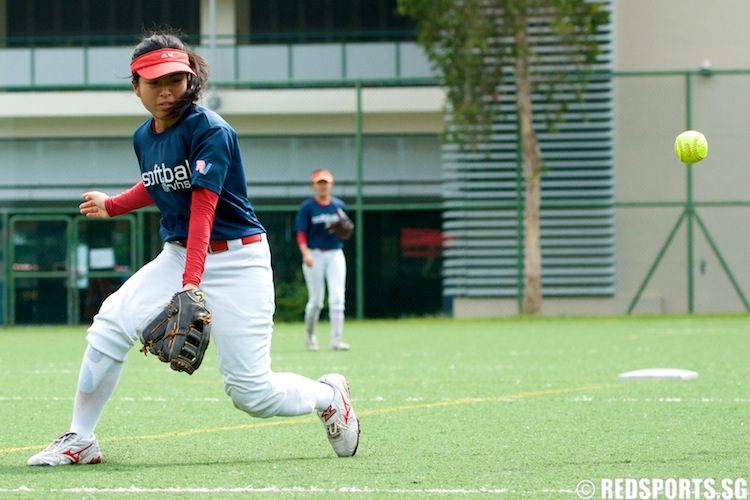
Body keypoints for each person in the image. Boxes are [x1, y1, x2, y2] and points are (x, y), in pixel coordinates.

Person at [27, 31, 359, 466]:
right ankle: (81, 439)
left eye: (175, 80)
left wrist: (190, 284)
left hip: (239, 261)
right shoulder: (143, 136)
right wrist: (115, 205)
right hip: (180, 254)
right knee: (110, 323)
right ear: (135, 85)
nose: (166, 91)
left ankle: (328, 396)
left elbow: (204, 207)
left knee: (251, 394)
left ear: (190, 80)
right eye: (154, 82)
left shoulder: (211, 130)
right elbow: (158, 180)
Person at [294, 169, 352, 352]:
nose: (322, 186)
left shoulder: (338, 206)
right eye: (319, 183)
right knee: (316, 301)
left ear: (331, 185)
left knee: (337, 297)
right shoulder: (308, 207)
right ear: (313, 186)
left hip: (335, 253)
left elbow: (345, 231)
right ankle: (310, 337)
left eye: (325, 182)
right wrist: (305, 254)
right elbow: (301, 233)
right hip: (314, 253)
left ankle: (336, 340)